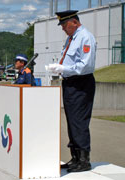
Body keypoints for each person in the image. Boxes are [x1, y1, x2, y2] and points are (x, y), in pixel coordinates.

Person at [49, 10, 96, 173]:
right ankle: (75, 157)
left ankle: (84, 160)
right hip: (70, 83)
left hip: (81, 83)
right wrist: (60, 69)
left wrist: (64, 68)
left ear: (74, 22)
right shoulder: (71, 38)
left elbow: (86, 65)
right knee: (71, 120)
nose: (62, 28)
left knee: (79, 121)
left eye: (64, 24)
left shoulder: (85, 37)